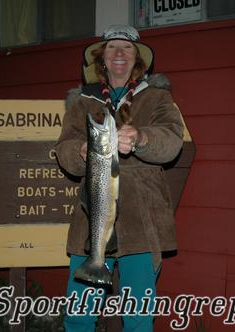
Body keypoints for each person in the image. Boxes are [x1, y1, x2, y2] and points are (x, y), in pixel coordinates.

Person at [55, 24, 184, 331]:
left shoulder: (157, 98)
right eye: (112, 47)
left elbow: (171, 141)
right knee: (78, 314)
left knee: (139, 317)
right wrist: (81, 151)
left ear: (137, 58)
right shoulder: (82, 102)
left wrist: (142, 137)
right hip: (92, 222)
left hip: (142, 222)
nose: (119, 53)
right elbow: (64, 150)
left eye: (126, 48)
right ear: (101, 58)